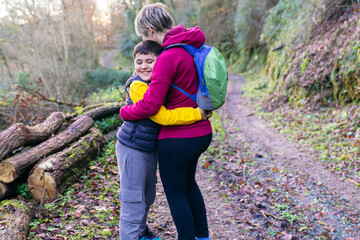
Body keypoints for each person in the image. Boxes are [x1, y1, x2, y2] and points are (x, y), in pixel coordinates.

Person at [120, 3, 213, 240]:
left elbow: (151, 106)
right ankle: (202, 236)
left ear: (150, 30)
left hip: (179, 137)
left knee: (176, 194)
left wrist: (126, 112)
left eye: (144, 35)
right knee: (189, 186)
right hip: (202, 133)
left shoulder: (167, 56)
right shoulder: (191, 46)